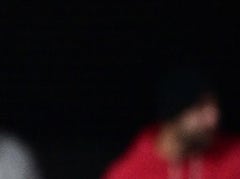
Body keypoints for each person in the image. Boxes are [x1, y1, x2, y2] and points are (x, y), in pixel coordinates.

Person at [102, 65, 240, 178]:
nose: (213, 119)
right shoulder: (129, 173)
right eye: (199, 108)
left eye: (215, 107)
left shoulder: (234, 157)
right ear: (173, 114)